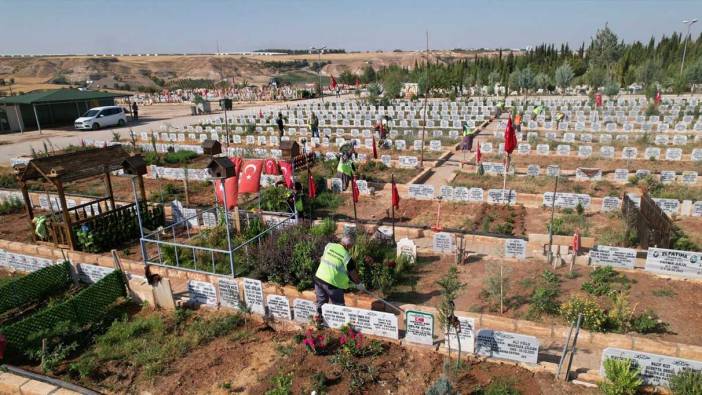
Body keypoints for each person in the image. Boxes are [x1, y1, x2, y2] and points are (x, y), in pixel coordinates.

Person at [314, 236, 364, 321]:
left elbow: (324, 258)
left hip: (318, 278)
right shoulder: (347, 257)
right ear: (348, 246)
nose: (352, 247)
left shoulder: (329, 246)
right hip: (332, 284)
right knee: (339, 306)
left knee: (321, 301)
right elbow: (353, 273)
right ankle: (342, 325)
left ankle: (318, 319)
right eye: (352, 246)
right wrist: (359, 284)